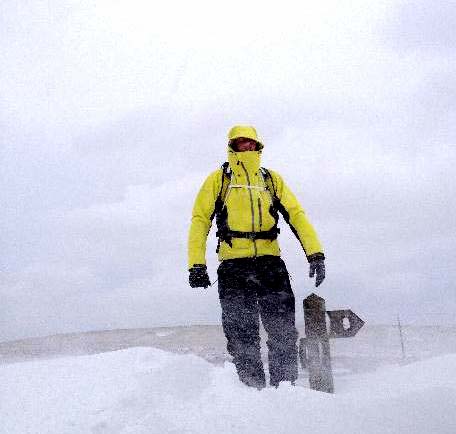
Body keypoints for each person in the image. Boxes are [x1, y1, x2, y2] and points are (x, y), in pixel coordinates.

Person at [187, 125, 325, 389]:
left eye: (250, 142)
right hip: (233, 269)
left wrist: (315, 253)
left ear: (257, 145)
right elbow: (199, 220)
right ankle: (252, 394)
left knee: (283, 332)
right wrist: (196, 264)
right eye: (240, 143)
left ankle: (286, 392)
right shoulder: (219, 180)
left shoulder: (271, 180)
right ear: (232, 145)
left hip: (270, 265)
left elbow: (296, 215)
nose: (246, 146)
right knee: (241, 335)